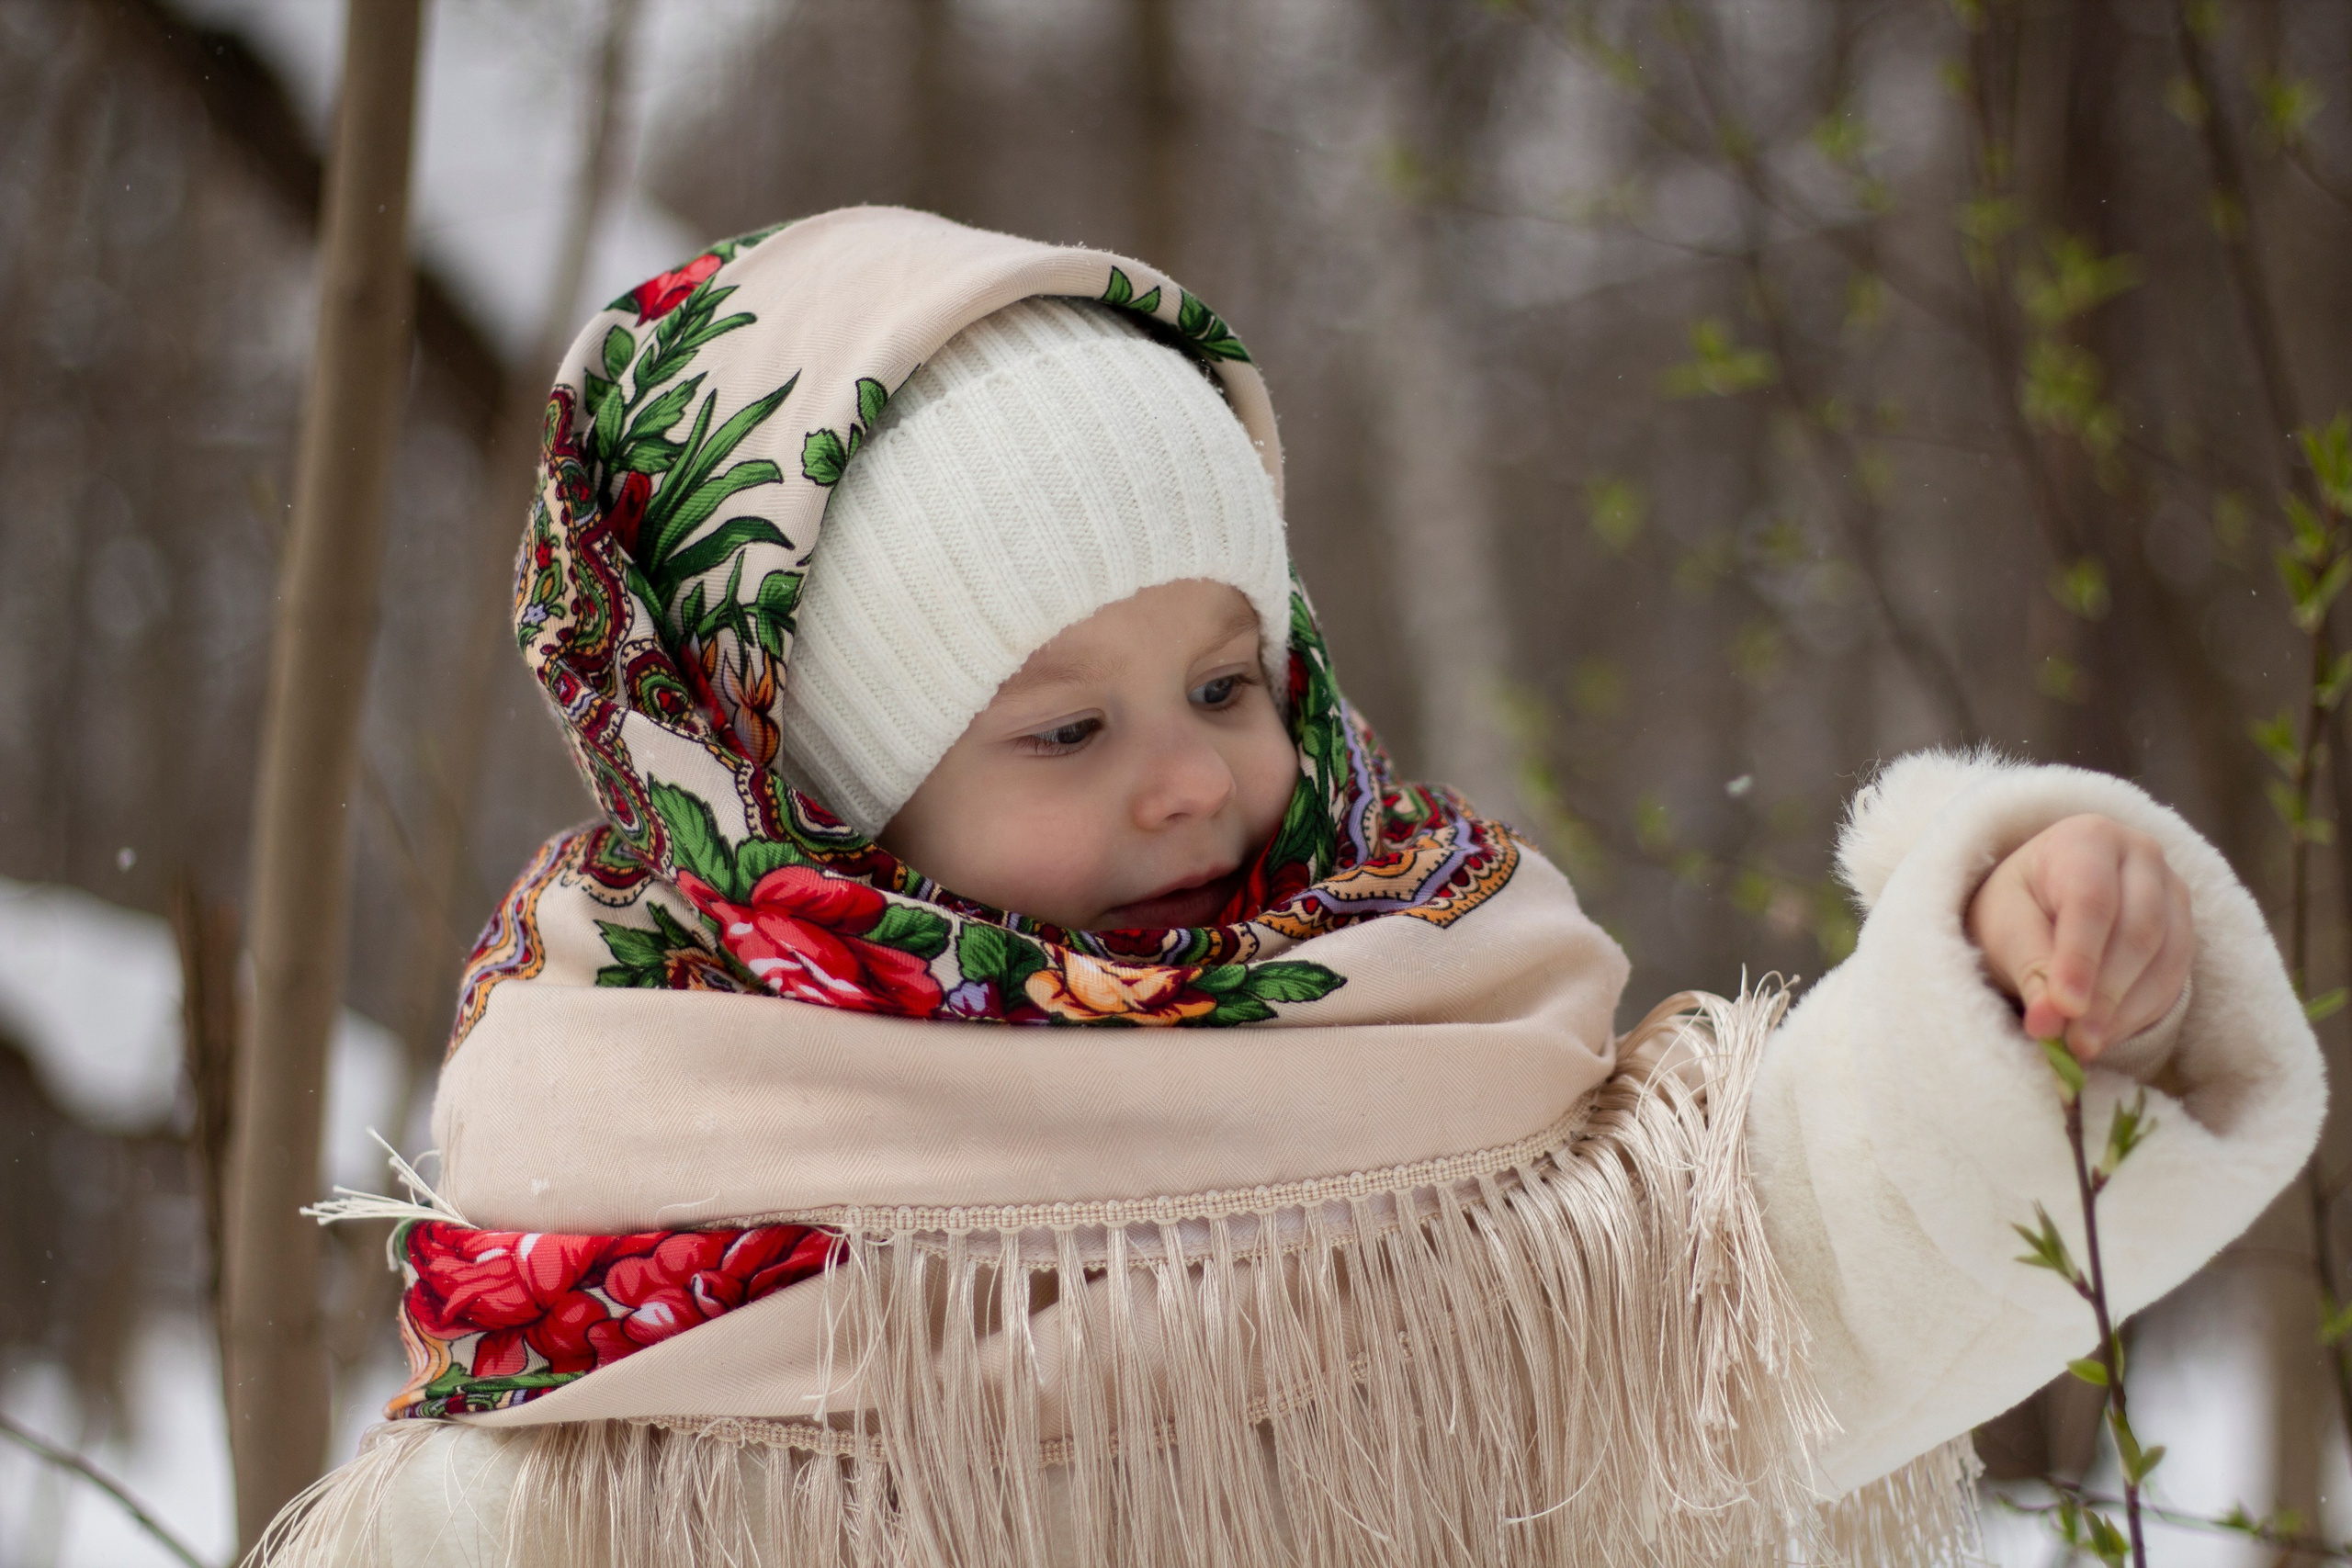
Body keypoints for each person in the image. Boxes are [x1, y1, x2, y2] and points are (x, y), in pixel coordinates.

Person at [263, 208, 2321, 1567]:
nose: (1188, 774)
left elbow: (1782, 1247)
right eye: (1058, 732)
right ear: (806, 803)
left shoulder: (1461, 1088)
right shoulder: (617, 1315)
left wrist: (2010, 956)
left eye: (1228, 680)